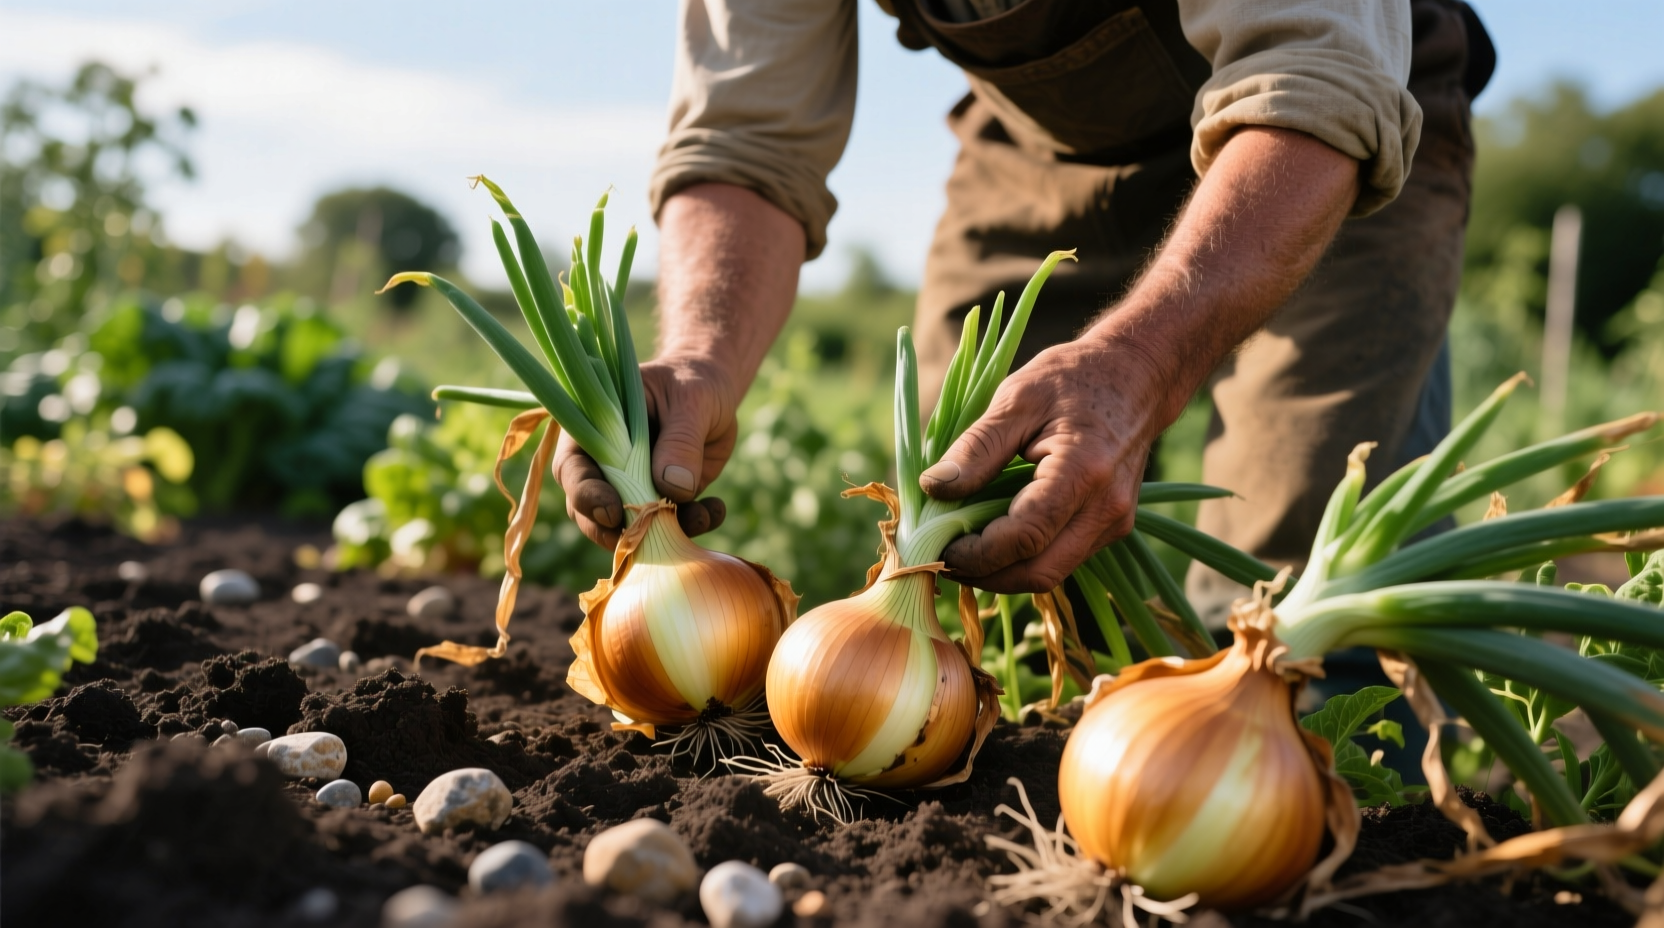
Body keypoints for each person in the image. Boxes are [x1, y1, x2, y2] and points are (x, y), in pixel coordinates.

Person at [556, 0, 1494, 628]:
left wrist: (1143, 361)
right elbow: (745, 136)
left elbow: (1316, 79)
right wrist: (701, 357)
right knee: (972, 541)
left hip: (1311, 151)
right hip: (1045, 150)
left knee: (1297, 588)